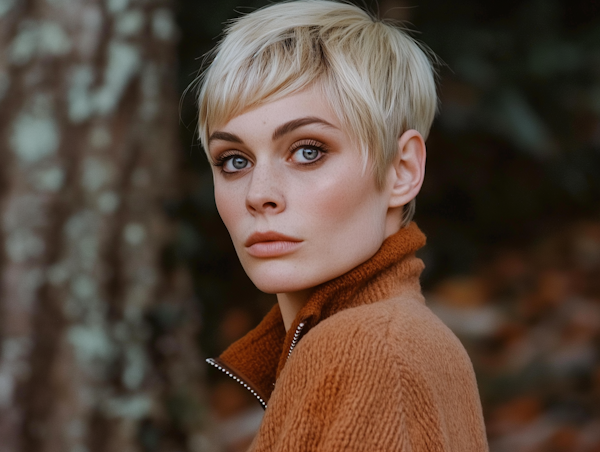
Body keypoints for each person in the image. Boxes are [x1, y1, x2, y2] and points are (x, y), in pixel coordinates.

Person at [196, 1, 488, 450]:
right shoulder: (399, 339)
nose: (259, 194)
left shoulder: (367, 347)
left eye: (308, 151)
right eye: (234, 161)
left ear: (401, 169)